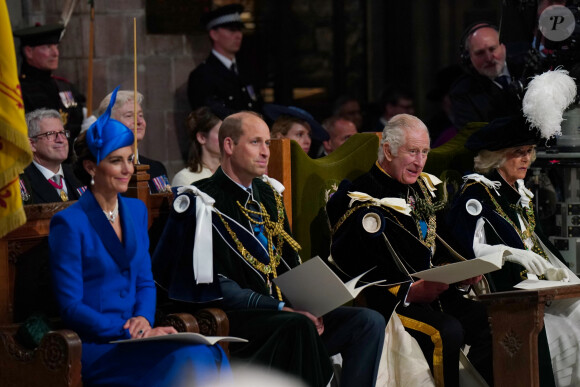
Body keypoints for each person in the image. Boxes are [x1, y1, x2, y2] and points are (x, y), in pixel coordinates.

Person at [152, 111, 386, 387]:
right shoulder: (202, 201)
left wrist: (312, 305)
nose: (265, 152)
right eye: (255, 143)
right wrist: (282, 308)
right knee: (298, 326)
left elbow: (288, 262)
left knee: (368, 321)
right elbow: (214, 286)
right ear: (229, 145)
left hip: (285, 313)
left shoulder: (268, 195)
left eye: (267, 143)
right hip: (238, 320)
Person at [48, 87, 231, 386]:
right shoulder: (68, 223)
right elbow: (71, 306)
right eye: (116, 161)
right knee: (190, 359)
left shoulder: (135, 210)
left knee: (209, 353)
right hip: (99, 346)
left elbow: (145, 281)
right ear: (91, 167)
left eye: (130, 159)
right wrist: (128, 329)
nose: (127, 169)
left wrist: (144, 320)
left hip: (139, 335)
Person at [326, 114, 493, 387]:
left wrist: (461, 274)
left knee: (492, 321)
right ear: (389, 150)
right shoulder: (361, 197)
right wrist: (408, 291)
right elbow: (350, 263)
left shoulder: (422, 192)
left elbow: (440, 244)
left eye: (424, 152)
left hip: (439, 296)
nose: (419, 162)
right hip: (392, 304)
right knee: (447, 331)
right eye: (412, 151)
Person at [447, 116, 577, 387]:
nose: (526, 159)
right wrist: (509, 253)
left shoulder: (519, 192)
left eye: (529, 151)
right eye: (517, 153)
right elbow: (467, 250)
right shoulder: (476, 194)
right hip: (504, 297)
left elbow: (536, 241)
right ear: (496, 157)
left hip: (541, 291)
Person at [13, 24, 85, 159]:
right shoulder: (18, 90)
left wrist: (85, 132)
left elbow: (74, 124)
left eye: (56, 47)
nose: (55, 53)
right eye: (47, 47)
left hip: (69, 163)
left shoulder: (66, 87)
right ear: (29, 52)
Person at [187, 4, 262, 114]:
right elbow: (207, 118)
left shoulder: (246, 69)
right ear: (214, 34)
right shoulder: (202, 75)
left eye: (239, 30)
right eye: (232, 30)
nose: (238, 35)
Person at [449, 23, 524, 130]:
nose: (489, 58)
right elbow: (472, 138)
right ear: (468, 57)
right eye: (480, 53)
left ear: (503, 47)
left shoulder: (527, 68)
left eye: (492, 49)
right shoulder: (462, 92)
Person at [96, 89, 170, 193]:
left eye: (140, 115)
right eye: (129, 116)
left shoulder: (156, 168)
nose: (139, 121)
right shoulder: (103, 171)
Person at [19, 108, 84, 204]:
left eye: (62, 133)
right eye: (50, 134)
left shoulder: (79, 173)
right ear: (32, 144)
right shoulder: (20, 181)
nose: (61, 140)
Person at [172, 107, 222, 186]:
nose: (228, 139)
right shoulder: (185, 178)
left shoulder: (235, 174)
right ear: (202, 138)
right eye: (221, 133)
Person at [264, 104, 328, 154]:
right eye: (299, 134)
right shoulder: (265, 168)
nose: (308, 141)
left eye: (309, 135)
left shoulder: (310, 169)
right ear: (280, 138)